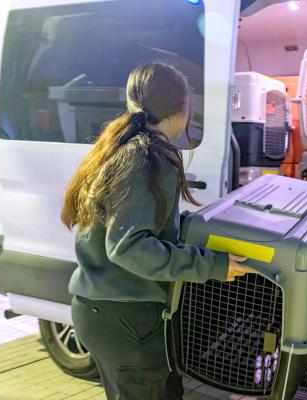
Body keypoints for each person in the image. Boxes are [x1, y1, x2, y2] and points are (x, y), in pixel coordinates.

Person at [61, 62, 252, 400]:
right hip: (127, 320)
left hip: (101, 312)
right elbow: (129, 247)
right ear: (182, 110)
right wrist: (215, 266)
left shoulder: (121, 146)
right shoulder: (149, 156)